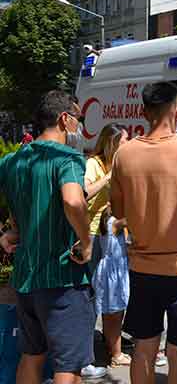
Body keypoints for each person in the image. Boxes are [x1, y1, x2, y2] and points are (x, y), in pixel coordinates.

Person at [111, 81, 177, 384]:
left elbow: (118, 213)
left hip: (142, 268)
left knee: (143, 347)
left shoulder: (124, 154)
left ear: (143, 112)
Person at [0, 90, 94, 384]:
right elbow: (73, 202)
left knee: (32, 355)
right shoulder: (67, 158)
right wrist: (86, 241)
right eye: (77, 118)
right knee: (68, 365)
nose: (78, 126)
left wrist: (9, 231)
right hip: (62, 276)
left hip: (26, 276)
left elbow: (18, 208)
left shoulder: (12, 162)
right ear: (64, 119)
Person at [82, 123, 128, 377]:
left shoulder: (122, 166)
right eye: (124, 141)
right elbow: (84, 193)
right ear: (112, 144)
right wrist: (108, 178)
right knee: (88, 294)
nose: (128, 146)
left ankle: (113, 352)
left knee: (110, 293)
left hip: (110, 236)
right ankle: (83, 355)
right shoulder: (94, 164)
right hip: (90, 237)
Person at [92, 204, 131, 367]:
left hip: (108, 272)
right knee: (115, 316)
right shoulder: (114, 223)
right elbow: (133, 219)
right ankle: (116, 354)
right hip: (113, 274)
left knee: (109, 314)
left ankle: (111, 348)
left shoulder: (107, 222)